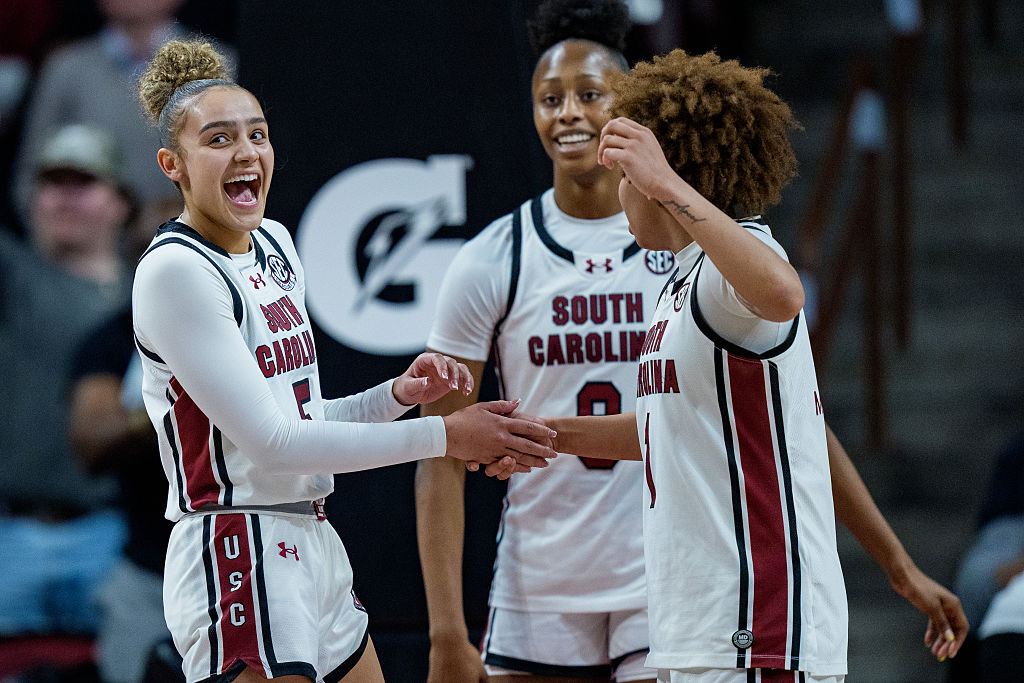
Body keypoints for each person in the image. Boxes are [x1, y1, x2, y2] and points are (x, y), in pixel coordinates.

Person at [132, 39, 556, 683]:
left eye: (258, 135)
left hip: (312, 536)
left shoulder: (273, 243)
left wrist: (395, 397)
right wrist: (444, 433)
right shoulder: (175, 272)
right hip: (236, 545)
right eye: (219, 140)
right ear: (174, 165)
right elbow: (274, 445)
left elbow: (301, 419)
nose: (247, 153)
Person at [535, 49, 966, 681]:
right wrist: (545, 434)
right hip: (708, 627)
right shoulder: (683, 285)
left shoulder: (734, 268)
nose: (624, 192)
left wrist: (663, 182)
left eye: (632, 175)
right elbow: (708, 431)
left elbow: (784, 292)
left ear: (668, 174)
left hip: (757, 625)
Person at [416, 1, 661, 680]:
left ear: (627, 104)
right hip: (540, 577)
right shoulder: (495, 255)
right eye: (550, 98)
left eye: (590, 94)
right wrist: (445, 631)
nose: (569, 113)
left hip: (663, 570)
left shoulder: (683, 240)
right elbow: (439, 448)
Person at [11, 0, 230, 228]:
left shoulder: (218, 67)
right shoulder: (66, 70)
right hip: (80, 251)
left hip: (191, 246)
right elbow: (30, 179)